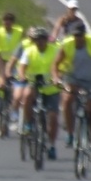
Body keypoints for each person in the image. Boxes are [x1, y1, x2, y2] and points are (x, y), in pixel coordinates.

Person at [53, 20, 91, 162]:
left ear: (84, 35)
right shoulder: (67, 44)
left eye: (80, 35)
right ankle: (70, 133)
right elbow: (56, 63)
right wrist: (56, 78)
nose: (78, 38)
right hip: (73, 77)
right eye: (75, 35)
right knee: (67, 99)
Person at [12, 27, 62, 156]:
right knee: (27, 96)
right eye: (36, 40)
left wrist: (58, 77)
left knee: (53, 117)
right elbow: (22, 67)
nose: (39, 42)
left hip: (50, 87)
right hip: (34, 83)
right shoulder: (29, 51)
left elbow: (60, 66)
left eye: (42, 39)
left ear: (46, 40)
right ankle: (29, 124)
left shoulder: (55, 50)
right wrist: (22, 76)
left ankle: (52, 145)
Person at [0, 12, 24, 137]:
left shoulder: (19, 31)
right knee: (0, 83)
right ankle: (0, 103)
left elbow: (24, 44)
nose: (7, 23)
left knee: (14, 86)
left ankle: (13, 106)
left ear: (13, 22)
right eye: (5, 20)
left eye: (9, 21)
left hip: (14, 62)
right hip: (0, 61)